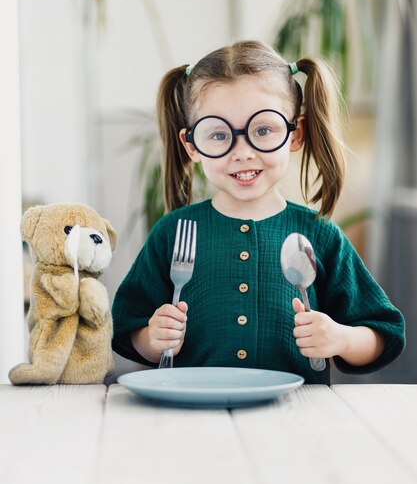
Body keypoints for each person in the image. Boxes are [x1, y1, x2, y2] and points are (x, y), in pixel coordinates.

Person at [112, 40, 405, 383]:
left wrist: (340, 338)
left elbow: (383, 334)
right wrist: (152, 339)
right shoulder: (174, 232)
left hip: (295, 419)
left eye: (263, 130)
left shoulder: (318, 235)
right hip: (195, 417)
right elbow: (127, 330)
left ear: (296, 134)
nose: (243, 152)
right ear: (192, 146)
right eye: (219, 134)